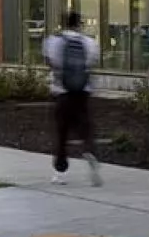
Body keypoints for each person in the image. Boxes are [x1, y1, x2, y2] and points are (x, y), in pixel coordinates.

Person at [42, 10, 103, 185]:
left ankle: (60, 173)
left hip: (61, 92)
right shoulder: (89, 43)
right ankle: (90, 151)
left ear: (64, 23)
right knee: (85, 127)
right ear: (79, 24)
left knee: (62, 133)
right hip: (83, 92)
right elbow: (92, 63)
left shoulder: (54, 42)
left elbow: (50, 62)